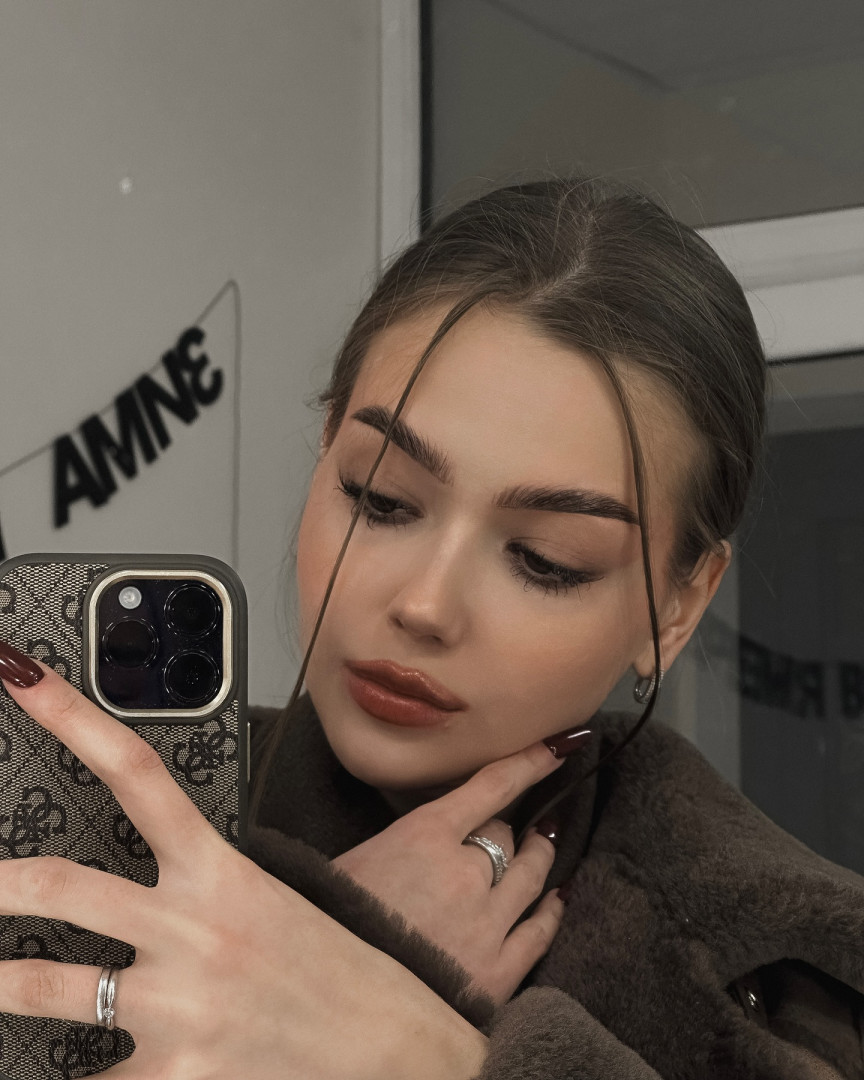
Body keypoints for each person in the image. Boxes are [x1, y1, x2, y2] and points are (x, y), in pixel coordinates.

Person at [0, 177, 862, 1079]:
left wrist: (415, 1044)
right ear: (327, 450)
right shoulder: (51, 818)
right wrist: (318, 938)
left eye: (546, 560)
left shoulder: (796, 981)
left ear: (678, 607)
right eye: (380, 498)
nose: (424, 605)